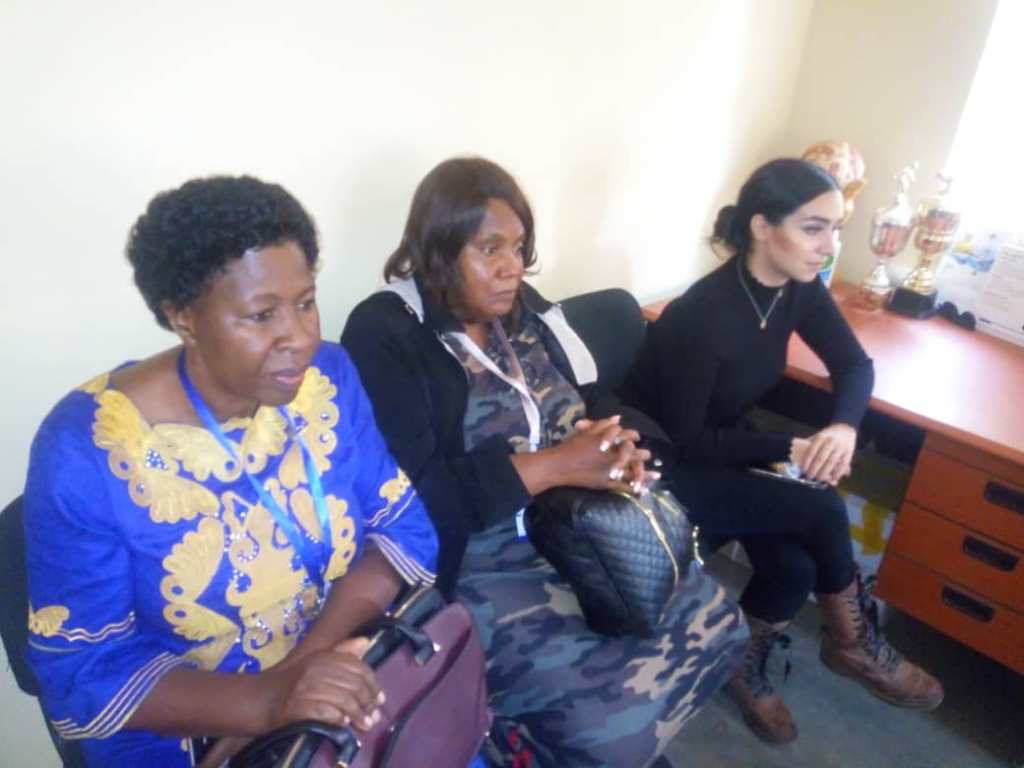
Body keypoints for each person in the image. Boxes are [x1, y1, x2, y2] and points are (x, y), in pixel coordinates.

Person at [341, 156, 747, 767]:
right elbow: (418, 500)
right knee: (613, 727)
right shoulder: (387, 332)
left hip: (585, 527)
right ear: (438, 250)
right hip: (482, 560)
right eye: (490, 249)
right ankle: (524, 744)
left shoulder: (523, 308)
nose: (512, 268)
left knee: (720, 623)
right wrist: (558, 465)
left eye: (518, 247)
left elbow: (596, 395)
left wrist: (619, 443)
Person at [23, 176, 441, 766]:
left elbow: (402, 529)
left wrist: (305, 670)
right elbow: (83, 674)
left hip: (343, 675)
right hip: (185, 734)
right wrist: (266, 703)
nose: (300, 338)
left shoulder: (326, 378)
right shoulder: (87, 452)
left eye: (305, 302)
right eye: (261, 315)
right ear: (183, 318)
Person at [620, 158, 944, 744]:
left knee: (796, 563)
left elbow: (854, 365)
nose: (830, 245)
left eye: (837, 229)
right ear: (762, 227)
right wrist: (790, 445)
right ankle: (854, 642)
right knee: (820, 506)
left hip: (726, 444)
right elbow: (689, 440)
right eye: (813, 228)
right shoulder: (702, 316)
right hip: (664, 465)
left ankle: (742, 664)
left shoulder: (797, 289)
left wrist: (842, 428)